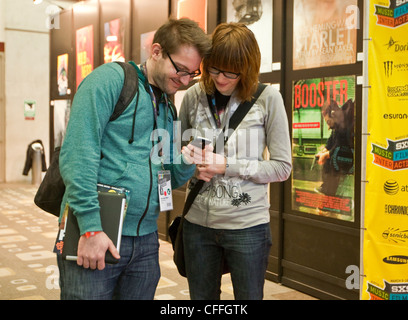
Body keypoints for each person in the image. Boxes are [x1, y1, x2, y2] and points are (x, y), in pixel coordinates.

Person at [57, 18, 211, 300]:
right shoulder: (109, 81)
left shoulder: (167, 105)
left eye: (193, 74)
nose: (186, 81)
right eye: (180, 70)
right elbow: (77, 156)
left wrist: (188, 160)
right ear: (156, 51)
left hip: (146, 242)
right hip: (95, 232)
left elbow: (168, 177)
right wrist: (91, 228)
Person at [179, 22, 292, 300]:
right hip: (198, 225)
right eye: (215, 68)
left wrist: (227, 165)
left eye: (231, 71)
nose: (221, 78)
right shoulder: (193, 96)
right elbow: (175, 150)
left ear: (248, 67)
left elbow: (282, 167)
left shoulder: (268, 99)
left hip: (247, 227)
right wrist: (188, 161)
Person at [315, 99, 354, 196]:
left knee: (332, 159)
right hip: (342, 151)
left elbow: (339, 144)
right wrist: (325, 149)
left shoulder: (344, 123)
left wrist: (327, 154)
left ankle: (329, 191)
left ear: (333, 114)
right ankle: (327, 188)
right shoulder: (339, 121)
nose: (328, 126)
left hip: (347, 155)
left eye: (328, 122)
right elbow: (332, 139)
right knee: (329, 157)